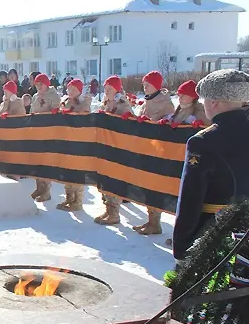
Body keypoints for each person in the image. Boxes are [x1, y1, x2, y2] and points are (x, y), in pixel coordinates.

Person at [173, 70, 249, 259]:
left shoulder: (202, 142)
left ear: (213, 102)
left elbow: (191, 198)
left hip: (216, 235)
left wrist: (182, 245)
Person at [134, 71, 174, 235]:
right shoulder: (146, 101)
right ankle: (151, 220)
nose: (145, 87)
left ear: (156, 85)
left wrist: (159, 123)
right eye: (144, 85)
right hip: (145, 148)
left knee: (154, 186)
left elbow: (170, 122)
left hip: (158, 151)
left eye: (148, 84)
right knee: (146, 185)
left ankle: (155, 222)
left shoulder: (165, 103)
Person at [93, 76, 134, 225]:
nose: (106, 91)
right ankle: (108, 209)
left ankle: (114, 213)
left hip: (117, 148)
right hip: (105, 146)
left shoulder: (123, 104)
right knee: (105, 179)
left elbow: (130, 123)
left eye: (109, 89)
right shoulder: (106, 102)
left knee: (114, 180)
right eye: (105, 88)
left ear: (116, 89)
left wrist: (125, 118)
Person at [57, 78, 92, 211]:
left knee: (77, 170)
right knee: (67, 170)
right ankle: (69, 197)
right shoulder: (65, 101)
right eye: (69, 89)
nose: (70, 91)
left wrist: (73, 113)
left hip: (79, 142)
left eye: (73, 89)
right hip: (66, 140)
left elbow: (84, 115)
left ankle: (77, 201)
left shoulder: (84, 102)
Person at [29, 73, 61, 202]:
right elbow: (32, 110)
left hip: (48, 132)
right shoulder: (35, 96)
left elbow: (56, 112)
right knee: (37, 161)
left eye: (40, 84)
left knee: (45, 162)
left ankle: (46, 191)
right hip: (37, 132)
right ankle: (39, 188)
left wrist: (52, 113)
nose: (38, 86)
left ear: (46, 84)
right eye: (36, 84)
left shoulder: (54, 96)